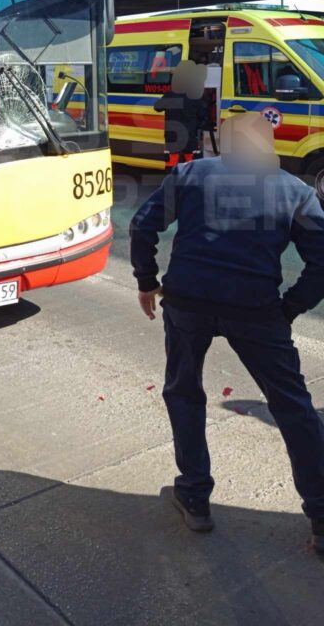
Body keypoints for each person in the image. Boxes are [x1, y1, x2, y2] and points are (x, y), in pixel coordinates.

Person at [129, 112, 324, 552]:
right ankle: (321, 515)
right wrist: (288, 309)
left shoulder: (190, 174)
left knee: (183, 392)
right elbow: (322, 261)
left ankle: (195, 498)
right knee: (293, 407)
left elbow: (142, 225)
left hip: (187, 304)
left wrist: (146, 281)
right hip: (256, 310)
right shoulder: (295, 191)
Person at [153, 60, 210, 169]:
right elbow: (203, 116)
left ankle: (171, 182)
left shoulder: (170, 95)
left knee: (172, 162)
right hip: (189, 136)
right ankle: (188, 183)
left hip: (172, 135)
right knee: (190, 164)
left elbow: (157, 108)